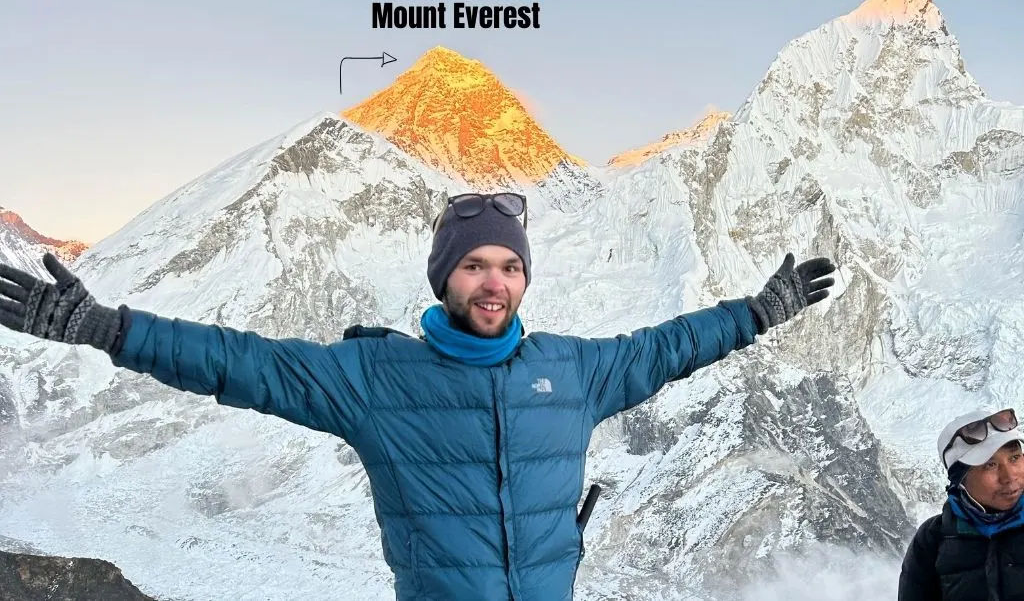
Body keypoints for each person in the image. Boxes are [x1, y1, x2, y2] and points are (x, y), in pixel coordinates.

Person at [0, 191, 837, 600]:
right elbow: (241, 363)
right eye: (476, 265)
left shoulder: (572, 370)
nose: (495, 283)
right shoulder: (377, 379)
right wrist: (112, 330)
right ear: (445, 278)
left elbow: (669, 348)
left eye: (509, 267)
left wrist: (758, 314)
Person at [898, 407, 1024, 600]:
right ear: (960, 479)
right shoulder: (932, 541)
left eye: (1014, 458)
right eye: (990, 465)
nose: (1009, 476)